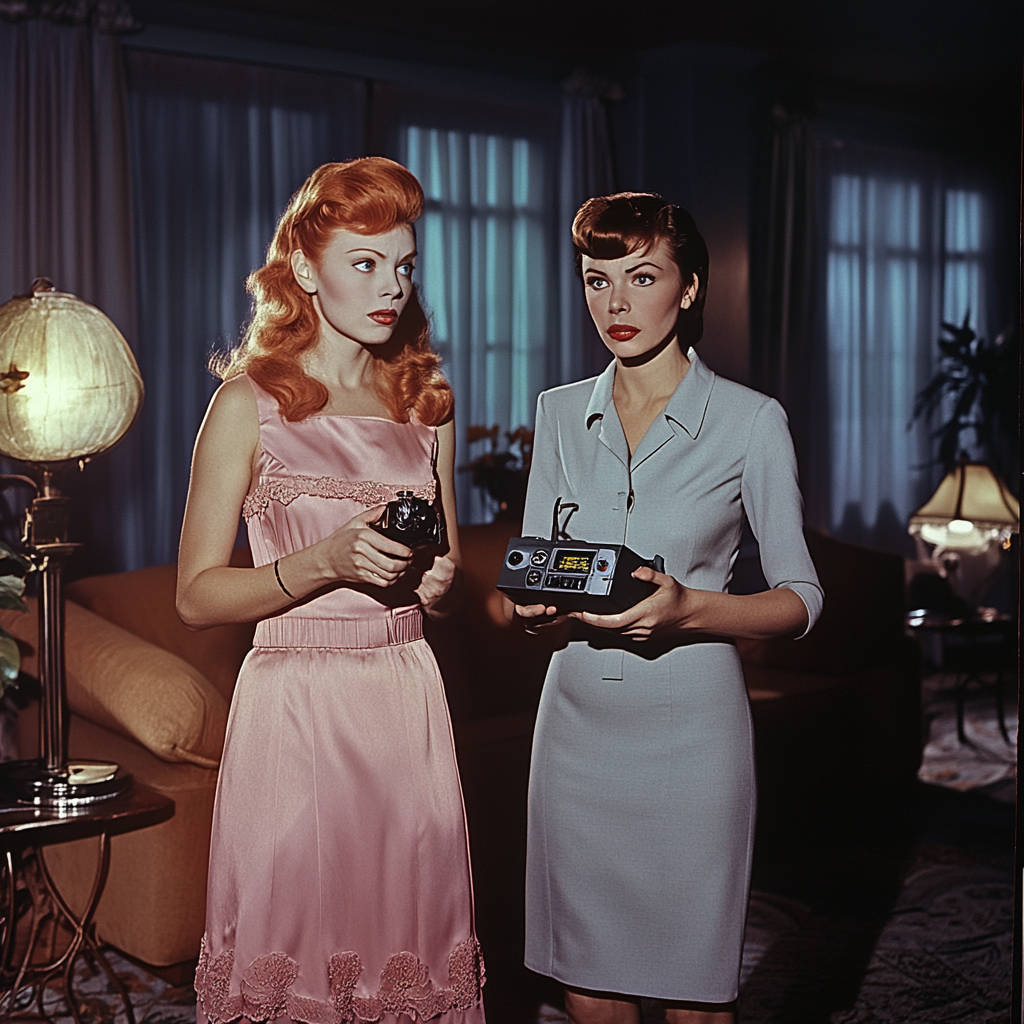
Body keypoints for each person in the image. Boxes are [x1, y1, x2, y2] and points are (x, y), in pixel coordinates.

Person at [177, 157, 485, 1024]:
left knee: (409, 952)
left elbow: (449, 587)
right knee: (296, 952)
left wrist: (444, 583)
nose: (391, 286)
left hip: (405, 696)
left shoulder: (426, 404)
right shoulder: (248, 404)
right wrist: (323, 564)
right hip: (295, 705)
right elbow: (196, 597)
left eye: (404, 265)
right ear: (306, 270)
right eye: (366, 262)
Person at [509, 193, 823, 1024]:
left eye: (641, 277)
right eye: (596, 279)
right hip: (573, 735)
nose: (614, 303)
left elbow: (800, 600)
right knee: (589, 992)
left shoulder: (753, 423)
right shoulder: (556, 413)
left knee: (693, 1002)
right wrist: (533, 609)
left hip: (692, 740)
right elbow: (541, 569)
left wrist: (690, 611)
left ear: (688, 290)